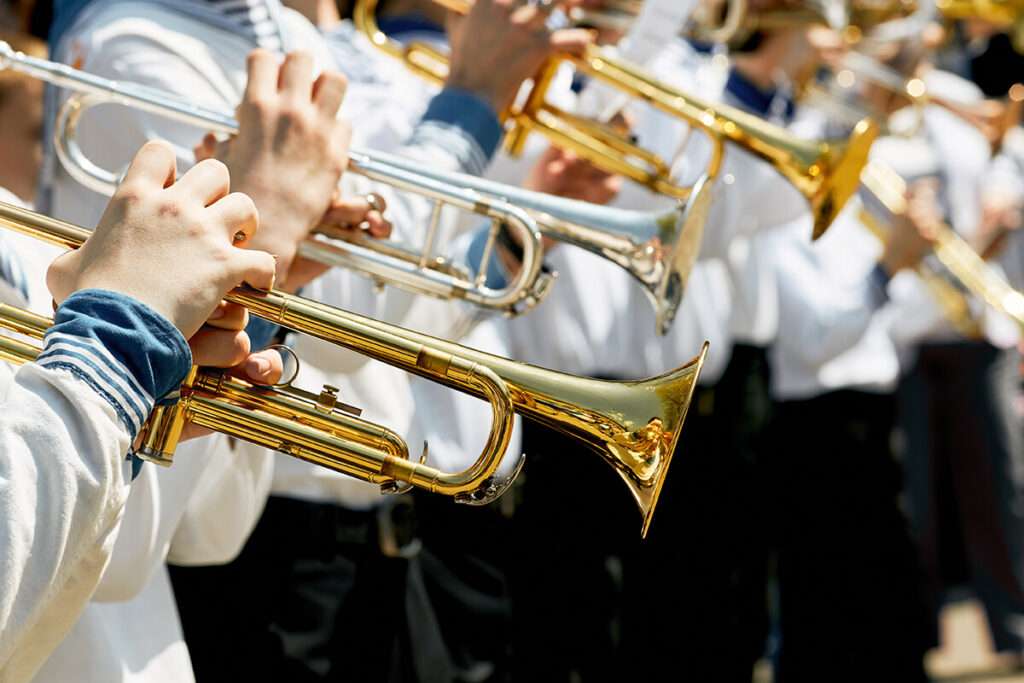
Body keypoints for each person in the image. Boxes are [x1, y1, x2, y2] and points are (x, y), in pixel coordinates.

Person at [0, 139, 277, 682]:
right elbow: (117, 567)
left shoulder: (15, 221)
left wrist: (224, 323)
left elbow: (214, 530)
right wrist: (115, 353)